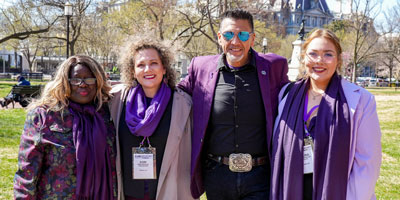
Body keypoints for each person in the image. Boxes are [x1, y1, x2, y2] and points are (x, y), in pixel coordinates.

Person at [178, 9, 289, 199]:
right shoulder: (201, 68)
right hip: (217, 175)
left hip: (259, 176)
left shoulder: (273, 67)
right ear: (220, 37)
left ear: (252, 39)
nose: (236, 41)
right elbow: (175, 95)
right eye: (229, 34)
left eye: (243, 34)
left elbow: (295, 95)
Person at [270, 29, 382, 200]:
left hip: (338, 192)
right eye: (313, 54)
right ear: (304, 57)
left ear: (338, 60)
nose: (319, 61)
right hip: (290, 188)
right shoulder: (286, 94)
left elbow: (367, 164)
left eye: (328, 54)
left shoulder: (361, 100)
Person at [13, 55, 117, 199]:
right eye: (75, 79)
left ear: (98, 81)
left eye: (89, 78)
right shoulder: (43, 116)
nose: (82, 84)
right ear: (65, 82)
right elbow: (26, 174)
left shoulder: (108, 114)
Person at [109, 36, 194, 200]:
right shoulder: (116, 100)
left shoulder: (183, 104)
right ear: (133, 71)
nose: (147, 69)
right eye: (141, 65)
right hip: (127, 192)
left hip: (168, 192)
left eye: (154, 63)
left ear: (164, 68)